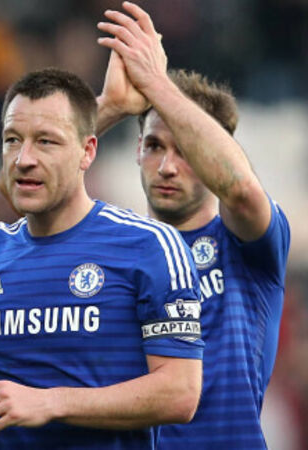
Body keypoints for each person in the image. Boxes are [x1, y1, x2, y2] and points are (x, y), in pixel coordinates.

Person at [0, 68, 204, 448]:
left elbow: (180, 393)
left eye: (45, 141)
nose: (23, 159)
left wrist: (50, 402)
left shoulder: (149, 246)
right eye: (12, 140)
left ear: (87, 151)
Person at [95, 2, 290, 448]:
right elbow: (24, 189)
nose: (167, 167)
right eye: (154, 146)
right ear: (137, 150)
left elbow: (240, 189)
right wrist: (108, 107)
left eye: (185, 151)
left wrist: (157, 83)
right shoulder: (114, 248)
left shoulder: (247, 243)